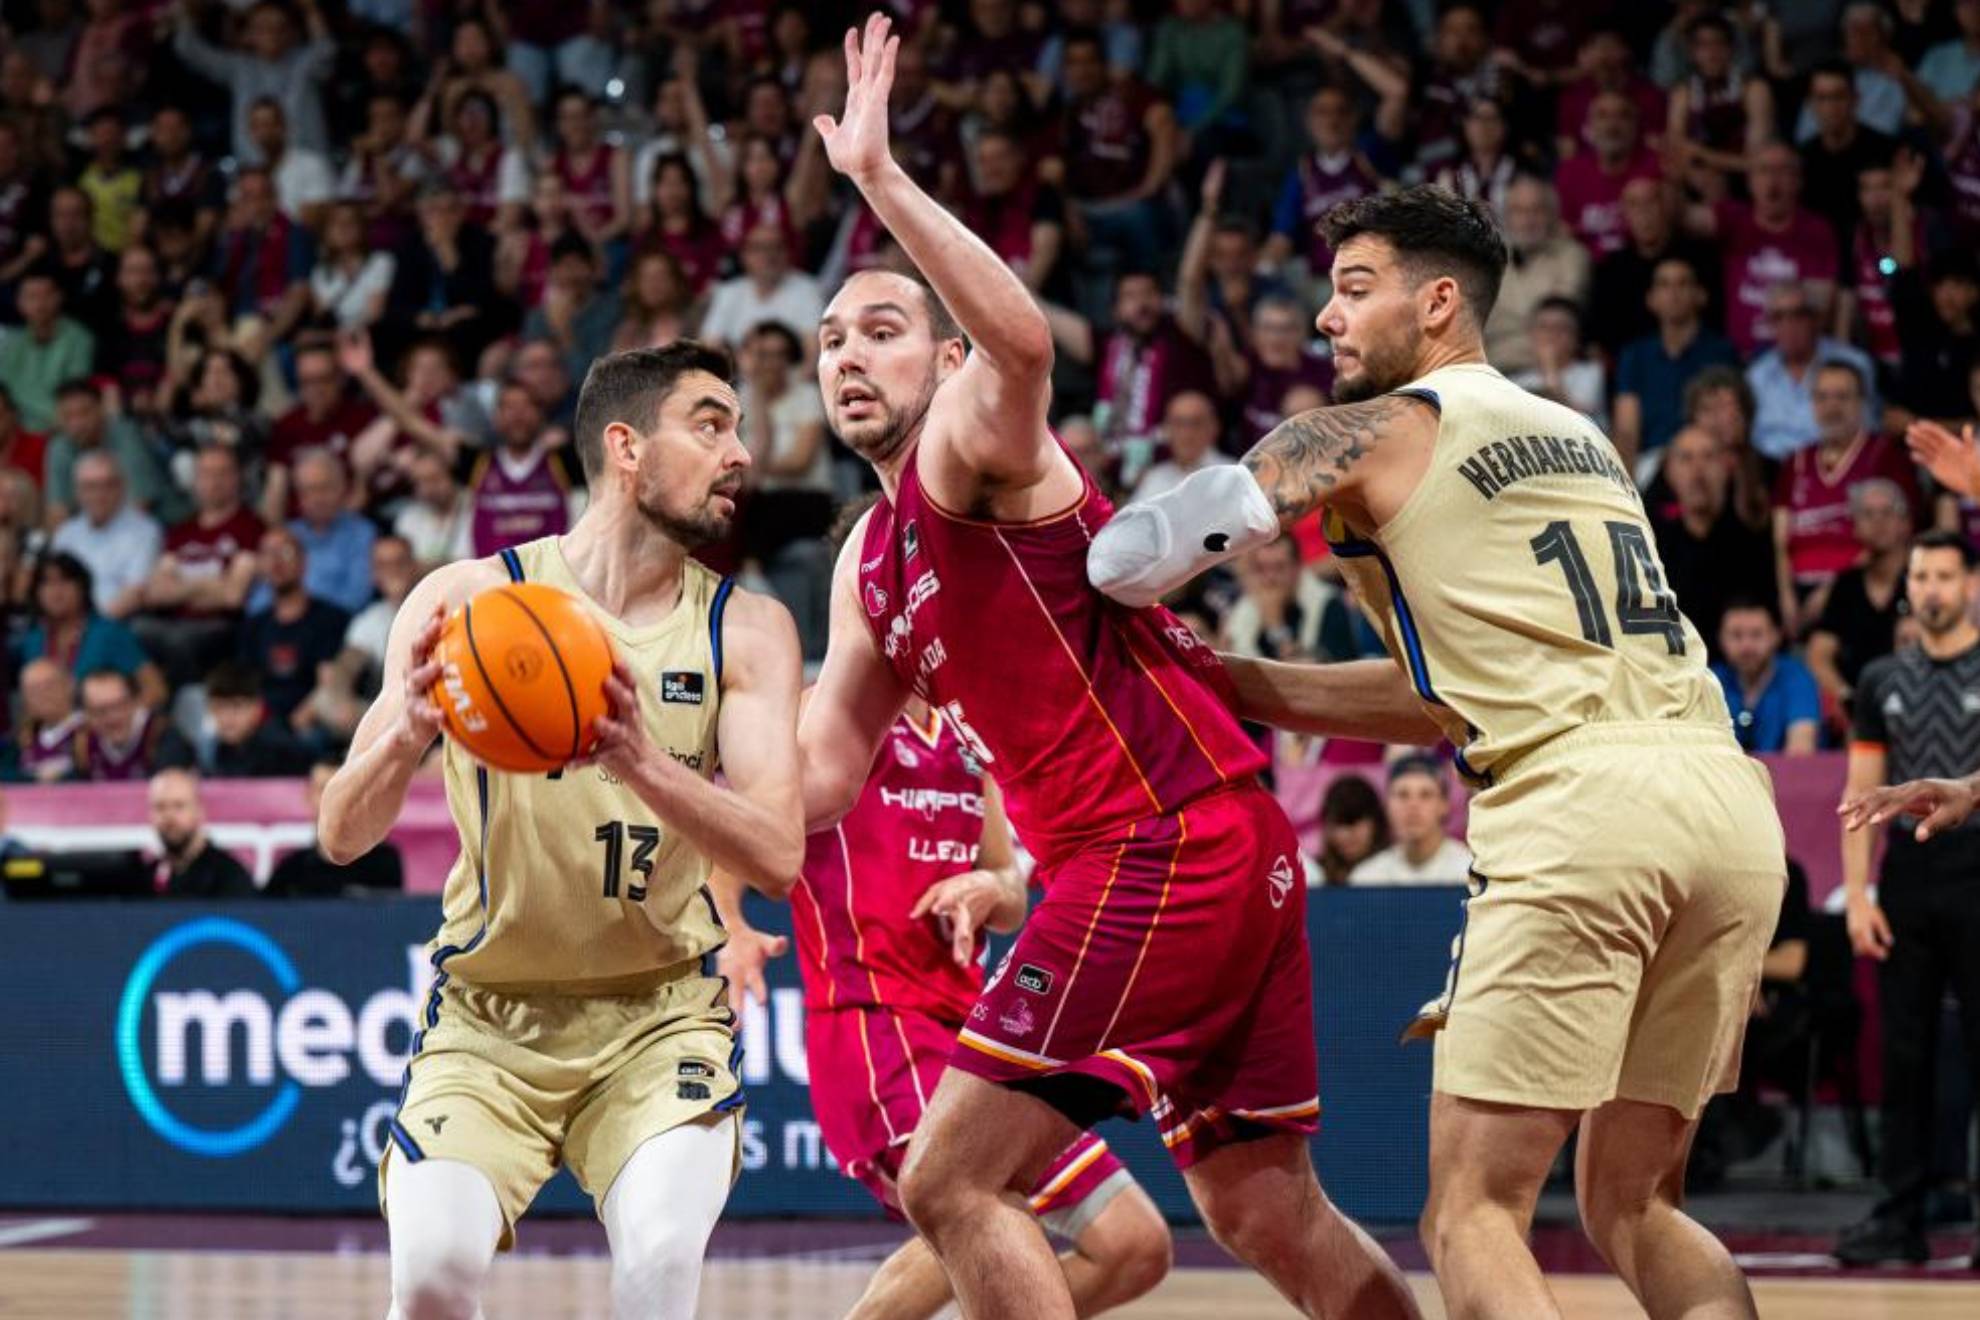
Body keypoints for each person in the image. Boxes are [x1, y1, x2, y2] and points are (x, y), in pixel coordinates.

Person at [793, 20, 1419, 1319]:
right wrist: (634, 743)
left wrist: (881, 183)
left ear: (943, 359)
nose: (847, 355)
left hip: (1156, 847)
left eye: (882, 330)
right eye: (828, 341)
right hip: (1223, 847)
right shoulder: (865, 559)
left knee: (951, 1183)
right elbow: (806, 789)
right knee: (1263, 1208)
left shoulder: (970, 437)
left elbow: (1023, 345)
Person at [1094, 183, 1786, 1320]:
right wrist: (1237, 684)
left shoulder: (1375, 426)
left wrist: (1097, 572)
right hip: (1721, 797)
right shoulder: (1581, 437)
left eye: (1354, 290)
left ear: (1439, 303)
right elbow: (1455, 694)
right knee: (1636, 1205)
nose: (1326, 316)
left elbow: (1132, 558)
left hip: (1579, 809)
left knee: (1471, 1213)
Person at [315, 340, 803, 1320]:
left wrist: (639, 759)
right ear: (627, 448)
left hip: (660, 1017)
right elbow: (339, 832)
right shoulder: (464, 602)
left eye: (739, 429)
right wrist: (407, 729)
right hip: (488, 1021)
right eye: (710, 425)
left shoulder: (745, 630)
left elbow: (779, 856)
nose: (740, 452)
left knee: (660, 1266)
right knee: (430, 1286)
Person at [717, 689, 1171, 1318]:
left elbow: (1012, 895)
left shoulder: (966, 731)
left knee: (1135, 1246)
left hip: (970, 1041)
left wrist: (990, 885)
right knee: (971, 1207)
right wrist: (731, 924)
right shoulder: (825, 713)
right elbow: (741, 819)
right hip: (872, 1026)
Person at [1832, 531, 1980, 1267]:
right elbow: (1861, 793)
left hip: (1979, 871)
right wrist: (1858, 897)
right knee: (1905, 1055)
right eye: (1920, 575)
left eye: (1945, 576)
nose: (1929, 588)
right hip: (1909, 882)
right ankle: (1898, 1217)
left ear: (1970, 585)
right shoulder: (1882, 675)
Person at [1651, 425, 1776, 659]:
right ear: (1669, 472)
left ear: (1726, 468)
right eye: (1686, 458)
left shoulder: (1752, 537)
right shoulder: (1653, 544)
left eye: (1708, 457)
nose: (1698, 470)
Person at [1807, 479, 1913, 731]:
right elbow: (1818, 654)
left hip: (1917, 702)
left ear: (1906, 523)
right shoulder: (1846, 585)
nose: (1878, 522)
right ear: (1855, 526)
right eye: (1868, 514)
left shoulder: (1924, 578)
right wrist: (1848, 698)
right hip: (1859, 714)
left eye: (1887, 512)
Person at [267, 761, 403, 897]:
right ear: (308, 795)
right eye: (323, 789)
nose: (330, 800)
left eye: (339, 790)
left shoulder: (382, 863)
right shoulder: (292, 870)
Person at [1713, 601, 1822, 755]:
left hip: (1786, 777)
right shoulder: (1710, 681)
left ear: (1776, 636)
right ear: (1721, 639)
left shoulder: (1798, 678)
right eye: (1736, 635)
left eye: (1756, 635)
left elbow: (1801, 753)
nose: (1746, 646)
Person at [1348, 757, 1473, 887]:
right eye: (1403, 795)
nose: (1413, 805)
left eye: (1426, 795)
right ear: (1387, 805)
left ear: (1444, 805)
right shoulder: (1367, 879)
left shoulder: (1471, 873)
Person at [147, 767, 255, 898]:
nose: (169, 816)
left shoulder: (229, 878)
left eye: (179, 806)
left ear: (199, 812)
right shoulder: (143, 881)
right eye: (160, 807)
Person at [1315, 774, 1389, 887]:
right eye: (1339, 824)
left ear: (1376, 824)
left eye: (1354, 822)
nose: (1346, 834)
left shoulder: (1393, 872)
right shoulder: (1314, 875)